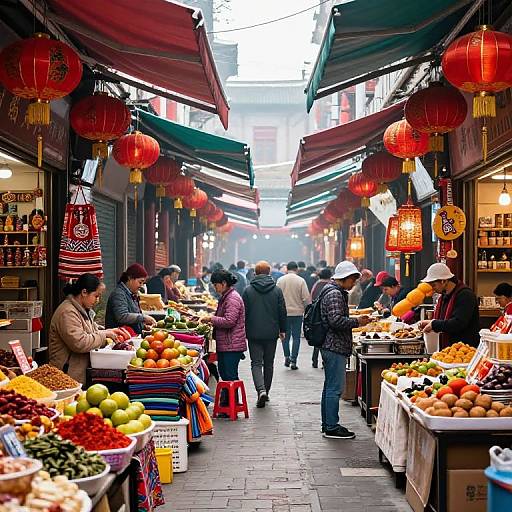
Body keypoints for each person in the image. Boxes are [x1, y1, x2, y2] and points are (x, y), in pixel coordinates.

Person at [319, 261, 370, 439]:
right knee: (334, 388)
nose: (354, 283)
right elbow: (335, 320)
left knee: (330, 387)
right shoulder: (334, 294)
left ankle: (328, 423)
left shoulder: (332, 291)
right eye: (353, 280)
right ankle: (332, 426)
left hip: (331, 344)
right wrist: (358, 322)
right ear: (346, 278)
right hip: (334, 345)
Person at [49, 274, 121, 383]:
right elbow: (80, 342)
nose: (98, 300)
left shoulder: (81, 309)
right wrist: (104, 335)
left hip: (75, 374)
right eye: (96, 296)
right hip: (66, 375)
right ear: (84, 292)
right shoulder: (68, 312)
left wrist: (106, 332)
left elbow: (90, 331)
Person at [242, 260, 287, 407]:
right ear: (269, 273)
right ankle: (266, 391)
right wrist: (283, 329)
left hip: (253, 332)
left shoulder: (248, 290)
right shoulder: (277, 290)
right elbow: (282, 312)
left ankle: (260, 390)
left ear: (255, 273)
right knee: (269, 363)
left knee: (256, 363)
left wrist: (243, 330)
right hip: (271, 333)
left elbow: (244, 313)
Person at [200, 269, 247, 393]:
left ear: (224, 283)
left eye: (216, 285)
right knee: (226, 377)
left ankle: (231, 408)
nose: (215, 288)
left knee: (229, 377)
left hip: (231, 345)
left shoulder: (232, 299)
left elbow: (229, 321)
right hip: (227, 344)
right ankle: (228, 406)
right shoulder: (226, 297)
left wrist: (211, 319)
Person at [418, 263, 480, 348]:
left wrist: (434, 324)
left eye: (434, 285)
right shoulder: (445, 295)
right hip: (449, 348)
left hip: (463, 350)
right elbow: (445, 320)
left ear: (443, 281)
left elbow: (458, 323)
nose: (432, 288)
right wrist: (431, 322)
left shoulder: (465, 295)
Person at [277, 261, 310, 369]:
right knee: (296, 337)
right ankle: (293, 360)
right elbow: (306, 298)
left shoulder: (280, 280)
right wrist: (307, 311)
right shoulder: (300, 281)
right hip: (297, 312)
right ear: (296, 269)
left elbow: (276, 296)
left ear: (287, 269)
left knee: (284, 336)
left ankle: (287, 356)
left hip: (284, 313)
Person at [105, 263, 156, 335]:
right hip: (120, 337)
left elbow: (134, 316)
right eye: (140, 282)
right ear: (130, 278)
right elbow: (122, 316)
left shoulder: (131, 293)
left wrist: (143, 326)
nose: (141, 286)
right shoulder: (119, 294)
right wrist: (143, 318)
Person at [310, 267, 332, 368]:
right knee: (326, 339)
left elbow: (312, 298)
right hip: (329, 315)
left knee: (318, 338)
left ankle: (314, 361)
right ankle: (325, 362)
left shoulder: (317, 284)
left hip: (317, 315)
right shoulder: (331, 285)